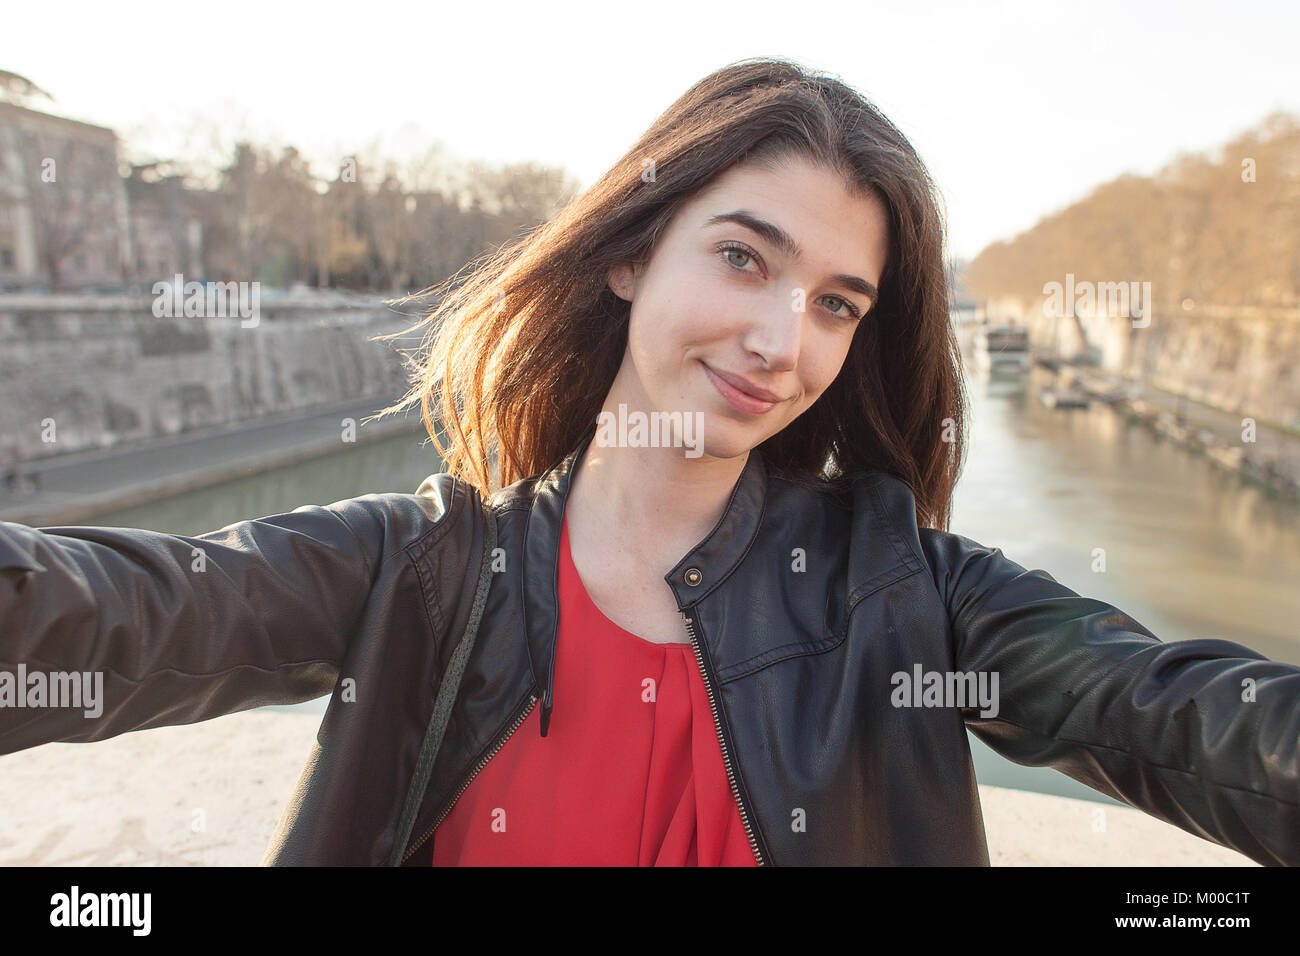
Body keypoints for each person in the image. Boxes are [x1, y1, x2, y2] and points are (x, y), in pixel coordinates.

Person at [2, 57, 1298, 867]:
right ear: (631, 253)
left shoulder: (907, 597)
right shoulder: (421, 571)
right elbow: (117, 619)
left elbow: (1173, 714)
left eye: (839, 302)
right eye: (744, 256)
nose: (783, 339)